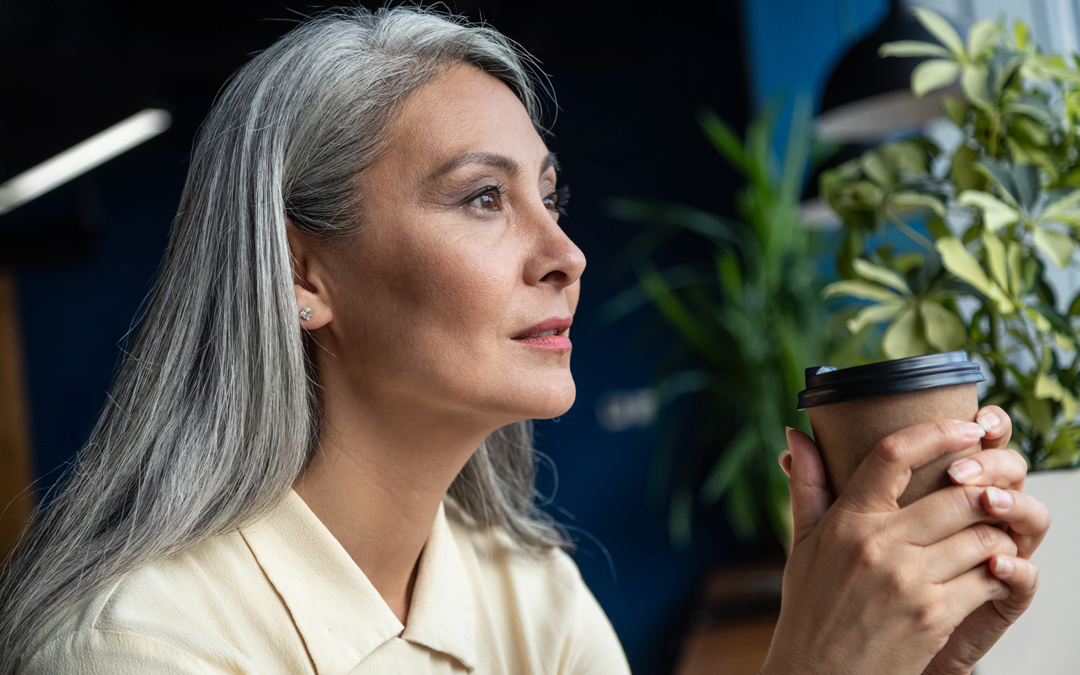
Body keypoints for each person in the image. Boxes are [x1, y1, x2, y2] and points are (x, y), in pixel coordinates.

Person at [0, 6, 1050, 675]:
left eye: (549, 195)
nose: (567, 254)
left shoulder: (525, 589)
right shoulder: (138, 647)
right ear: (299, 274)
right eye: (482, 200)